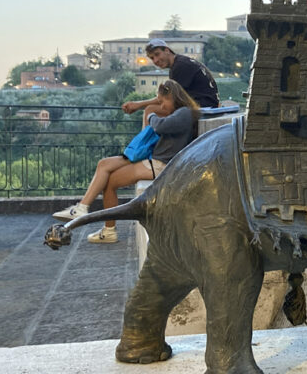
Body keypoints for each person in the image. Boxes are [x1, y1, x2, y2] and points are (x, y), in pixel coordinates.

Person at [52, 79, 200, 243]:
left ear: (172, 97)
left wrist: (151, 115)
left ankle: (100, 223)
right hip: (156, 161)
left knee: (110, 181)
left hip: (160, 165)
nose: (162, 106)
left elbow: (160, 126)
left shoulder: (184, 113)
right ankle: (86, 212)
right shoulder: (183, 112)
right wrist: (151, 112)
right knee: (105, 167)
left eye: (162, 101)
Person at [122, 39, 219, 116]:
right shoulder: (180, 63)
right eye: (152, 58)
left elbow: (168, 99)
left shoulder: (180, 66)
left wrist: (138, 105)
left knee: (151, 110)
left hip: (204, 108)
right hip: (205, 105)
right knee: (155, 110)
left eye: (157, 54)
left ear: (167, 50)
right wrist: (138, 105)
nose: (155, 60)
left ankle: (147, 137)